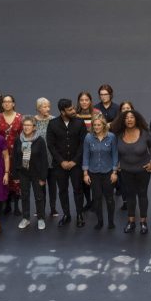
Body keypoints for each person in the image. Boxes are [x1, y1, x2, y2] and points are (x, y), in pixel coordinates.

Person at [47, 98, 87, 227]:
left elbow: (83, 144)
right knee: (62, 190)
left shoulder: (80, 123)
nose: (73, 110)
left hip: (76, 164)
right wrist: (62, 161)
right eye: (70, 109)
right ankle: (66, 214)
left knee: (78, 190)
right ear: (62, 112)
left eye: (73, 108)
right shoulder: (52, 124)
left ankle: (80, 215)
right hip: (60, 165)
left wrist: (75, 161)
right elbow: (51, 145)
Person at [116, 109, 151, 234]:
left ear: (136, 119)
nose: (129, 120)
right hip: (126, 171)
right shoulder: (119, 134)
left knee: (142, 195)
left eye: (132, 117)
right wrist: (116, 163)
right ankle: (131, 221)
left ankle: (143, 222)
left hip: (143, 170)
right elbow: (114, 151)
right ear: (123, 120)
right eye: (126, 118)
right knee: (130, 195)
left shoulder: (144, 133)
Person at [83, 115, 119, 230]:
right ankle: (100, 221)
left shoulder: (111, 137)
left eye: (99, 125)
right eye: (94, 125)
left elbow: (115, 155)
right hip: (94, 172)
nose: (96, 127)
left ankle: (111, 221)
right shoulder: (88, 138)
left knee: (109, 198)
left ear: (104, 125)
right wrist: (85, 173)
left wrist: (114, 172)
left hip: (108, 171)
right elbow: (86, 156)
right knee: (97, 198)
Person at [13, 116, 49, 230]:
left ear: (34, 127)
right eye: (24, 125)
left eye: (29, 125)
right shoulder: (18, 139)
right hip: (23, 173)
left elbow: (44, 160)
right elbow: (15, 157)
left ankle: (41, 218)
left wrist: (43, 177)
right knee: (24, 196)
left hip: (37, 173)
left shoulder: (40, 140)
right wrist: (15, 175)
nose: (26, 127)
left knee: (39, 197)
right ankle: (26, 218)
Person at [0, 95, 24, 216]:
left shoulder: (20, 118)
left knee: (16, 180)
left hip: (17, 154)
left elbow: (23, 136)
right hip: (1, 154)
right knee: (4, 179)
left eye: (9, 102)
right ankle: (7, 204)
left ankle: (17, 206)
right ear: (2, 104)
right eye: (5, 102)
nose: (7, 104)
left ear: (13, 104)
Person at [34, 97, 58, 220]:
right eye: (44, 106)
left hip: (52, 158)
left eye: (48, 106)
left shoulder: (53, 120)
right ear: (38, 108)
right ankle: (40, 209)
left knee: (52, 186)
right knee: (40, 186)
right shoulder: (33, 121)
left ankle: (53, 208)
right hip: (39, 159)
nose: (47, 109)